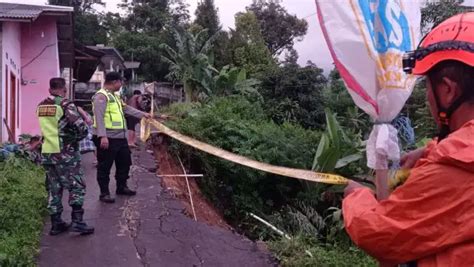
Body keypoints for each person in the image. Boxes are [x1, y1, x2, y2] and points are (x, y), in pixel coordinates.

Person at [342, 13, 474, 266]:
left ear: (447, 90)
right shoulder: (459, 160)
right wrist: (431, 151)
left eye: (428, 88)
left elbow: (382, 235)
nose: (427, 99)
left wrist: (355, 197)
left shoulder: (453, 172)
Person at [37, 78, 94, 235]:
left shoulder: (42, 105)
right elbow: (81, 128)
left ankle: (56, 223)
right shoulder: (65, 104)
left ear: (50, 89)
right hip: (65, 153)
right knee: (76, 185)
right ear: (64, 88)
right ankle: (78, 222)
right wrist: (74, 140)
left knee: (54, 188)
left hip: (47, 152)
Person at [92, 72, 150, 203]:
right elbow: (99, 117)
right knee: (104, 166)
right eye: (120, 82)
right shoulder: (101, 96)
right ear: (114, 82)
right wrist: (103, 136)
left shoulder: (115, 96)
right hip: (108, 138)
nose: (121, 84)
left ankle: (122, 186)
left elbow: (126, 109)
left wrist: (143, 114)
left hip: (120, 137)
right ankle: (104, 193)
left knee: (124, 162)